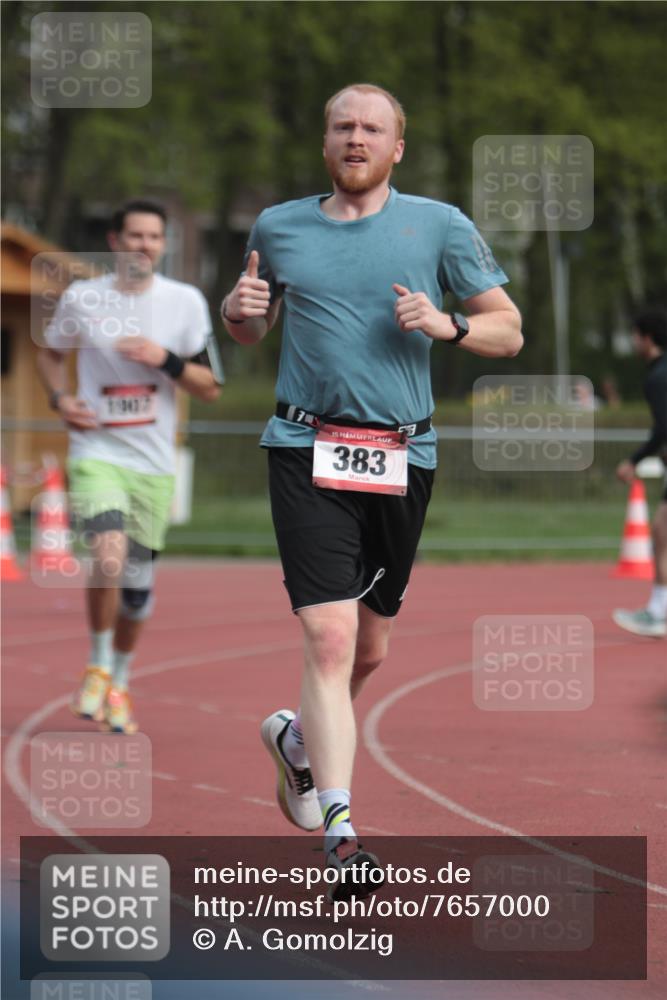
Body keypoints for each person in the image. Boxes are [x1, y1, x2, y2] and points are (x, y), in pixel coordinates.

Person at [222, 84, 522, 898]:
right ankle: (342, 832)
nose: (355, 138)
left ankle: (297, 743)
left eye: (372, 128)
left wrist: (449, 324)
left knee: (369, 649)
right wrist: (238, 311)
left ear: (397, 148)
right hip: (304, 445)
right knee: (327, 638)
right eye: (342, 126)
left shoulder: (439, 225)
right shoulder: (278, 227)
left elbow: (508, 329)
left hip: (400, 454)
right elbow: (250, 330)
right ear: (325, 142)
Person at [37, 199, 223, 732]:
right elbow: (51, 353)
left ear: (164, 245)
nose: (144, 245)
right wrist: (60, 399)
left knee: (137, 594)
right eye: (135, 235)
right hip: (97, 452)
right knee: (108, 555)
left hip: (153, 463)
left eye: (154, 237)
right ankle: (97, 665)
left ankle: (119, 679)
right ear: (114, 241)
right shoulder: (82, 298)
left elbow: (210, 387)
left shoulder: (184, 302)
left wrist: (163, 358)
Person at [613, 308, 667, 638]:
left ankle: (659, 612)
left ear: (647, 338)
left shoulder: (658, 378)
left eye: (635, 336)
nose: (633, 342)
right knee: (662, 531)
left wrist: (633, 460)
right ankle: (658, 609)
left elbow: (664, 428)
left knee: (662, 533)